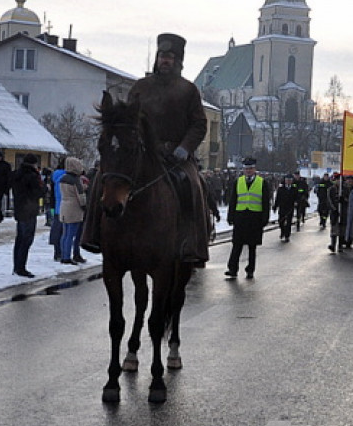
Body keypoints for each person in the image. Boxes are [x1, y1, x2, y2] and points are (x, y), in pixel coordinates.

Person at [81, 33, 209, 266]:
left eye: (170, 57)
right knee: (103, 177)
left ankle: (193, 244)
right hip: (142, 152)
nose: (165, 61)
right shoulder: (141, 87)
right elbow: (129, 117)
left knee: (192, 183)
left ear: (178, 61)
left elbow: (199, 124)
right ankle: (93, 235)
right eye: (162, 56)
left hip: (175, 156)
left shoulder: (188, 90)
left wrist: (184, 148)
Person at [225, 157, 272, 279]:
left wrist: (265, 218)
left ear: (254, 169)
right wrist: (230, 216)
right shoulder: (238, 181)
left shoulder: (262, 182)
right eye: (246, 169)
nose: (248, 171)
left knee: (252, 246)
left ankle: (250, 270)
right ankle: (232, 269)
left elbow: (266, 202)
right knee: (237, 244)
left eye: (250, 169)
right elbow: (233, 200)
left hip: (255, 218)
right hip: (240, 217)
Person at [11, 153, 45, 278]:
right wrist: (44, 188)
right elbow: (37, 192)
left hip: (19, 208)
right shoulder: (32, 176)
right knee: (27, 239)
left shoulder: (17, 174)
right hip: (29, 210)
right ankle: (21, 268)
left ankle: (17, 266)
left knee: (20, 238)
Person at [58, 156, 88, 264]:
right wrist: (85, 207)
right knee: (71, 234)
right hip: (74, 209)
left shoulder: (62, 178)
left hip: (64, 206)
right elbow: (80, 196)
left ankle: (63, 255)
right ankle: (67, 257)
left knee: (65, 234)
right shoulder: (76, 180)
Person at [273, 174, 299, 242]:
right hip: (282, 207)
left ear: (292, 181)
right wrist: (275, 206)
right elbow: (277, 198)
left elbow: (297, 197)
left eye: (290, 180)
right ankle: (283, 231)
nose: (288, 181)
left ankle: (287, 235)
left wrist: (296, 202)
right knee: (281, 221)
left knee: (288, 222)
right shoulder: (281, 189)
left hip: (290, 208)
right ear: (285, 180)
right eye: (287, 180)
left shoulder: (294, 189)